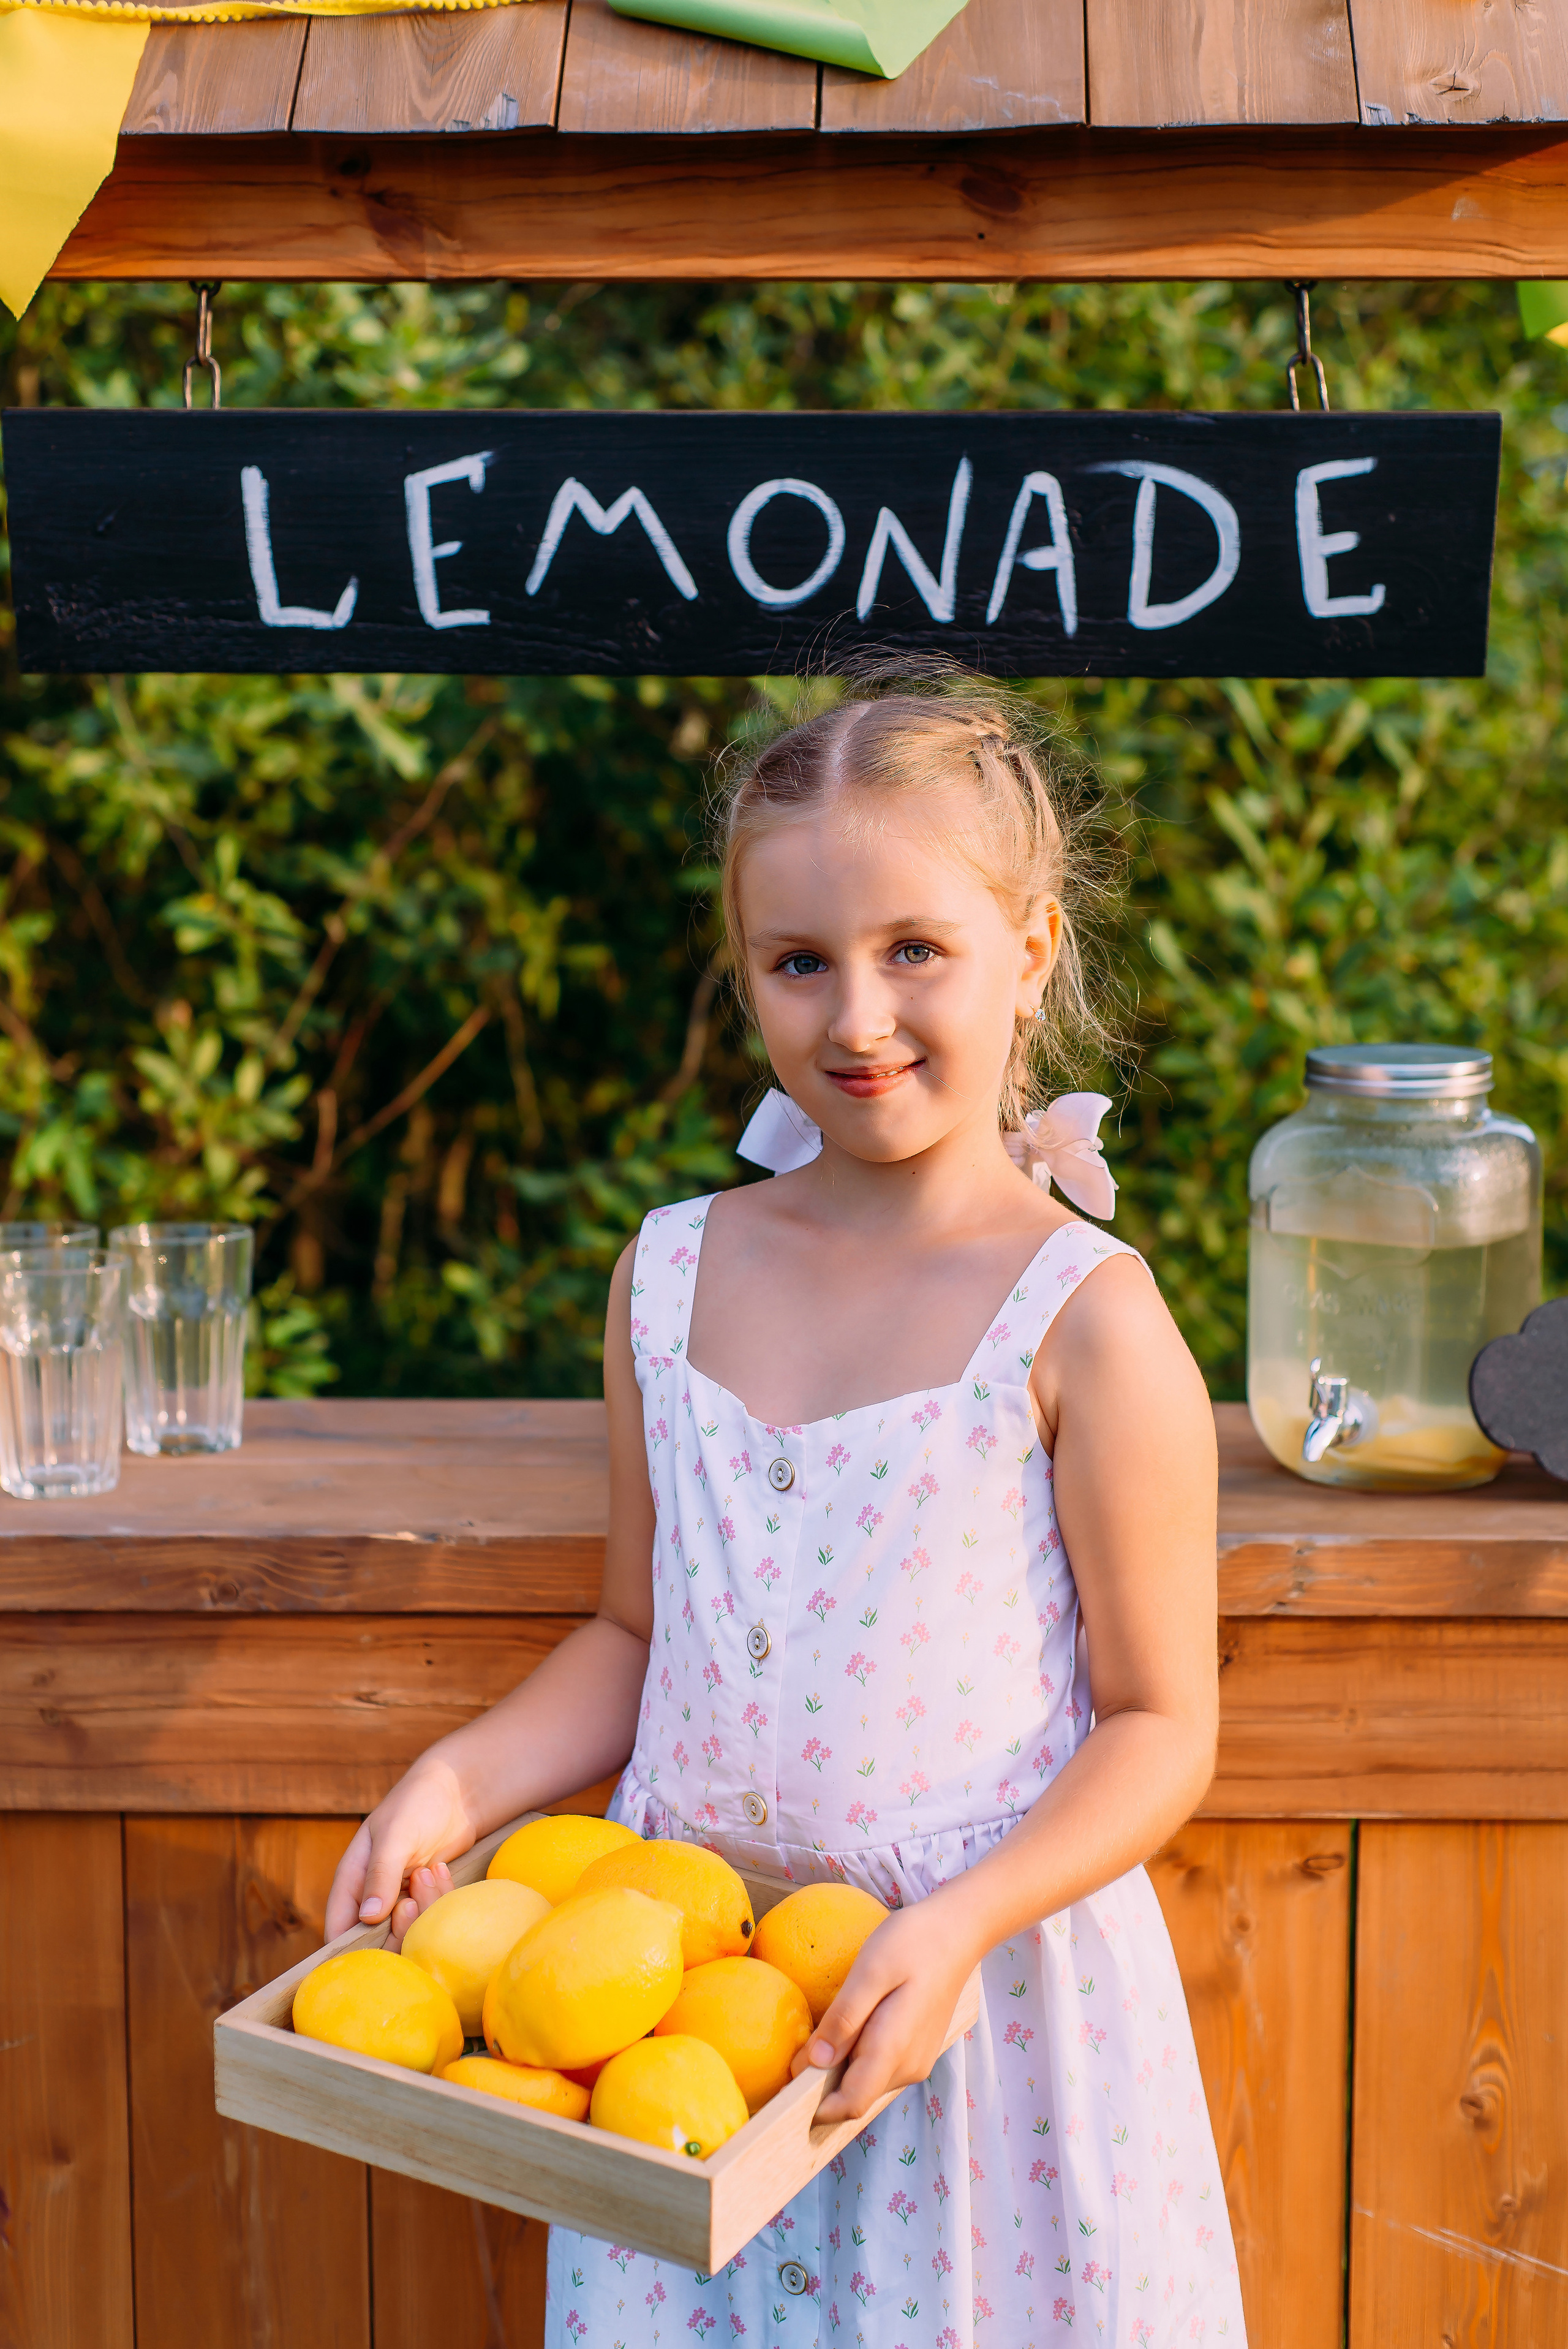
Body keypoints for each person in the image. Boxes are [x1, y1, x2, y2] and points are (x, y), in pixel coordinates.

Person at [325, 669, 1245, 2347]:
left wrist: (960, 1921)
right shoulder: (673, 1269)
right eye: (798, 961)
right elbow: (632, 1630)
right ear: (745, 968)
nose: (858, 1016)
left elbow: (1161, 1720)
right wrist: (454, 1776)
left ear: (1029, 949)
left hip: (975, 2033)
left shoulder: (1087, 1316)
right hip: (681, 2016)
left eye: (917, 950)